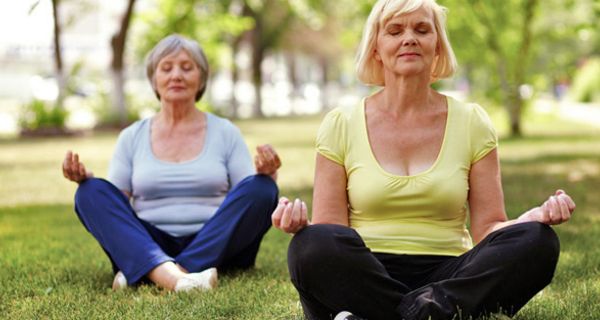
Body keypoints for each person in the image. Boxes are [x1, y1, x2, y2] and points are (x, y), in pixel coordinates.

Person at [271, 0, 576, 319]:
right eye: (394, 30)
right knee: (312, 245)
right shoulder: (341, 124)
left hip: (449, 275)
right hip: (365, 271)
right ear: (376, 48)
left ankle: (400, 312)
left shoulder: (472, 121)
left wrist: (531, 218)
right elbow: (331, 228)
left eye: (421, 29)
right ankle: (430, 313)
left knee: (539, 241)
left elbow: (488, 228)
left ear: (438, 47)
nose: (409, 38)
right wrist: (305, 228)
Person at [62, 34, 281, 292]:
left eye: (187, 68)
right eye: (166, 68)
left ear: (201, 78)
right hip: (150, 241)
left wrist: (268, 175)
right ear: (154, 79)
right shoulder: (132, 136)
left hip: (216, 245)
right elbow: (117, 208)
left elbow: (248, 201)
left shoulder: (225, 132)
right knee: (91, 192)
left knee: (263, 188)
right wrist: (87, 180)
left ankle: (149, 273)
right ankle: (177, 279)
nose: (176, 75)